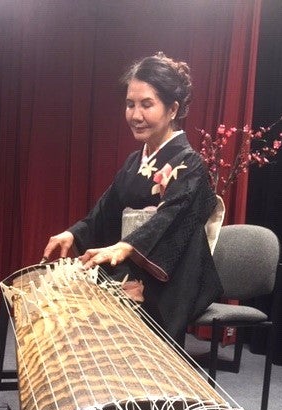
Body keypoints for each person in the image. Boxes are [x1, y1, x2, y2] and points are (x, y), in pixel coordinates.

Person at [42, 52, 222, 344]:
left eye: (146, 104)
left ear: (173, 109)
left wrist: (128, 247)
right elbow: (105, 211)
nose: (136, 115)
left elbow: (171, 218)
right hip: (134, 262)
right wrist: (72, 235)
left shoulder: (191, 165)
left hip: (170, 276)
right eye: (130, 104)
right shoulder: (132, 162)